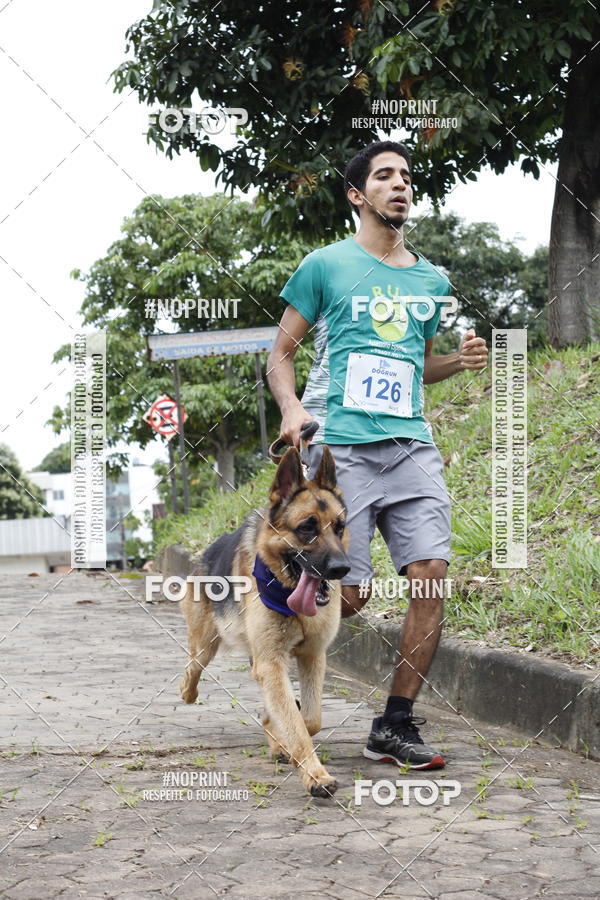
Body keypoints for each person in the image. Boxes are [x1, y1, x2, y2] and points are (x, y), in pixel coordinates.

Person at [266, 140, 488, 769]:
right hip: (341, 452)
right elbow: (279, 355)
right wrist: (292, 411)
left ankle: (394, 724)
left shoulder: (430, 279)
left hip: (410, 446)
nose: (400, 185)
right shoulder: (325, 266)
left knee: (429, 576)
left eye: (407, 177)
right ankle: (275, 675)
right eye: (384, 176)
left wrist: (460, 362)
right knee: (351, 595)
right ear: (357, 195)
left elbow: (415, 367)